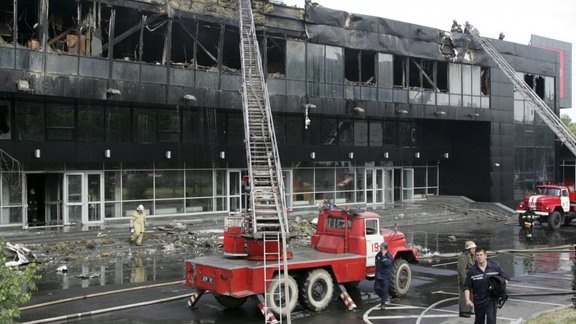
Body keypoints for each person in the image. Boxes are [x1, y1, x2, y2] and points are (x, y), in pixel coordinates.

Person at [464, 248, 509, 324]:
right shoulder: (472, 271)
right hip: (479, 301)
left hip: (491, 300)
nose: (479, 257)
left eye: (481, 255)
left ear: (485, 256)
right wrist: (467, 300)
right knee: (479, 321)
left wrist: (501, 288)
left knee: (491, 321)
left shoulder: (494, 267)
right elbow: (467, 286)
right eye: (477, 255)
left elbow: (506, 278)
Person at [458, 241, 476, 318]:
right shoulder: (463, 256)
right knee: (463, 295)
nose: (474, 249)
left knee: (471, 294)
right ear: (469, 249)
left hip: (471, 278)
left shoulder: (472, 255)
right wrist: (465, 281)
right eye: (473, 248)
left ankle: (468, 310)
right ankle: (463, 311)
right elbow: (461, 270)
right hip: (465, 278)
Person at [374, 241, 394, 310]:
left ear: (385, 249)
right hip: (378, 275)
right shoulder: (378, 255)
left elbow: (386, 264)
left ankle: (383, 304)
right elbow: (376, 262)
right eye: (380, 248)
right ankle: (384, 297)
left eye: (381, 248)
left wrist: (383, 256)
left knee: (385, 289)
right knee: (376, 288)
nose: (380, 249)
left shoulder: (389, 256)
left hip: (385, 276)